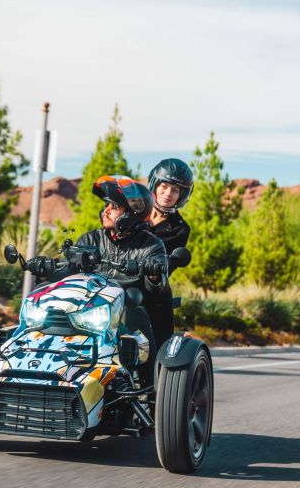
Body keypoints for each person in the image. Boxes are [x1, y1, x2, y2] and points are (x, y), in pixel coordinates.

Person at [27, 175, 168, 386]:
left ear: (132, 212)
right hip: (86, 307)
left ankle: (151, 390)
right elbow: (68, 270)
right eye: (106, 205)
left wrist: (154, 272)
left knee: (139, 317)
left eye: (114, 206)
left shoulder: (151, 245)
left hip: (123, 310)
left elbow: (156, 289)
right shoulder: (90, 239)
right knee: (41, 296)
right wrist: (47, 270)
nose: (106, 210)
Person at [144, 158, 194, 348]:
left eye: (175, 190)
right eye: (164, 187)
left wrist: (155, 269)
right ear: (155, 185)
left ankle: (157, 365)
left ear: (182, 194)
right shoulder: (134, 212)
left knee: (160, 336)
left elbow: (169, 265)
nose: (168, 194)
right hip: (117, 276)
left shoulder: (180, 229)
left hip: (151, 287)